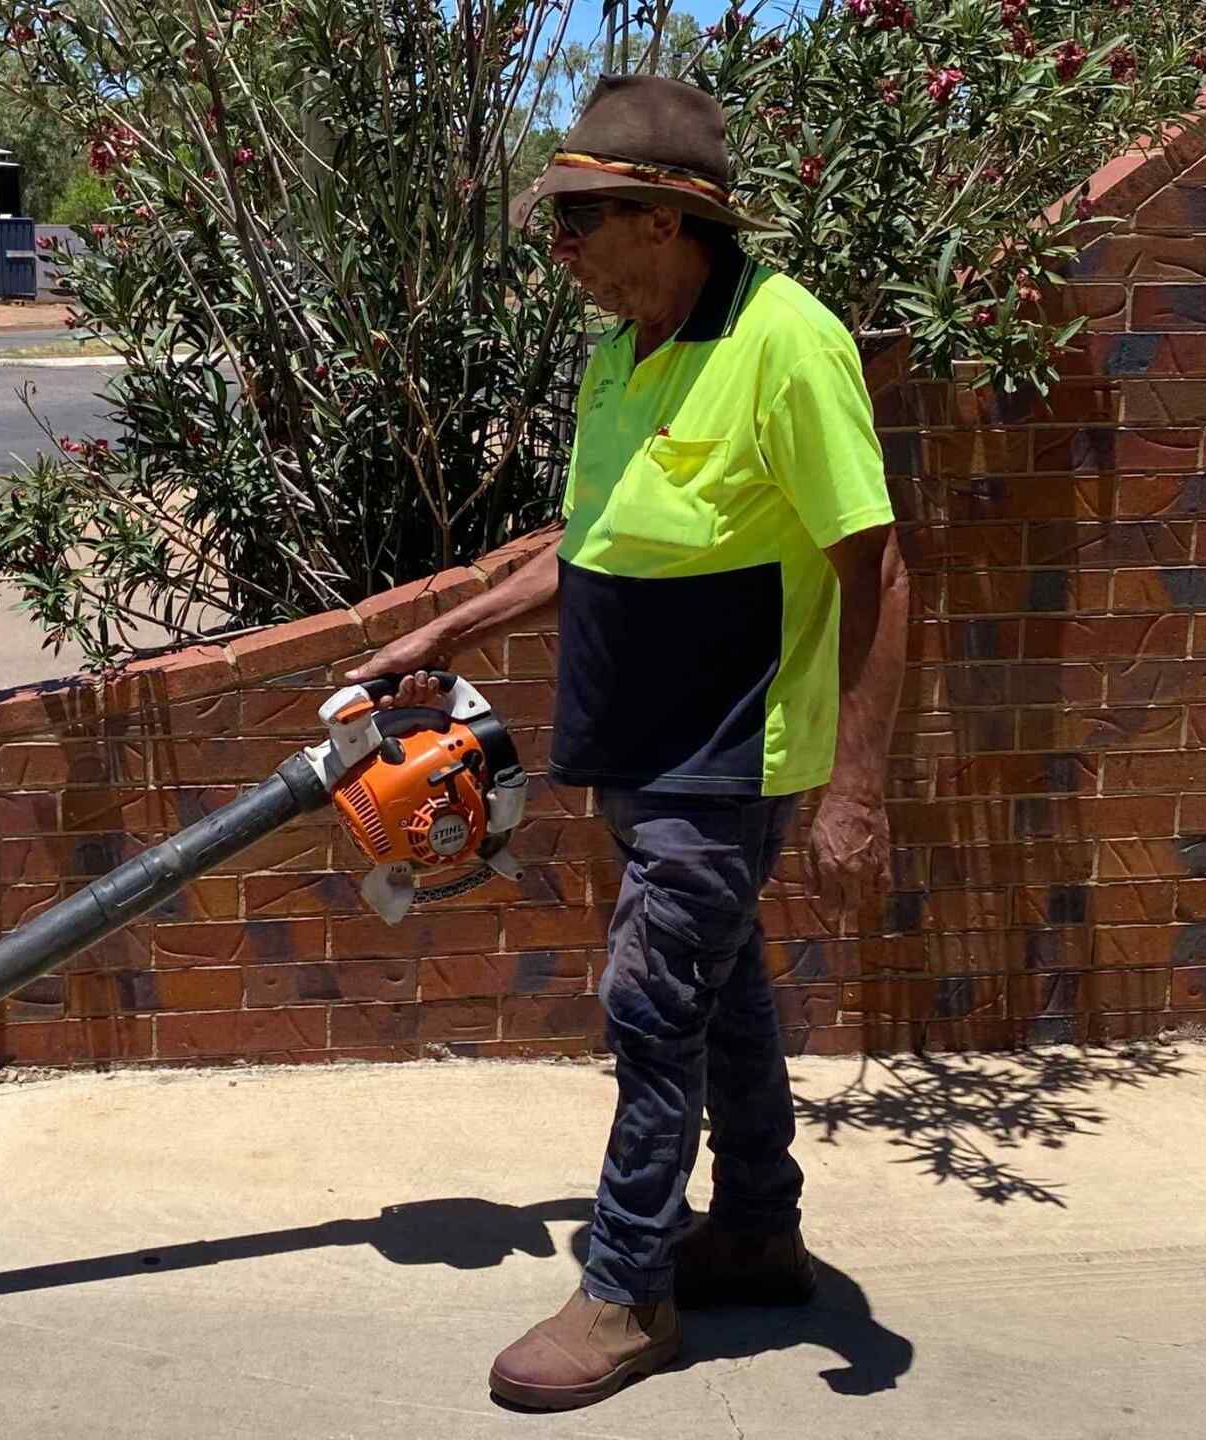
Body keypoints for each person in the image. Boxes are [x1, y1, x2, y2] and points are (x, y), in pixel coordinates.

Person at [344, 74, 910, 1411]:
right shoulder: (629, 354)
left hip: (731, 752)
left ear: (665, 219)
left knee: (651, 1007)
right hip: (643, 750)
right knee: (726, 994)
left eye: (579, 220)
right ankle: (761, 1230)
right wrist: (448, 632)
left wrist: (859, 791)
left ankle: (629, 1289)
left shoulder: (788, 343)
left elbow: (882, 570)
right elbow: (588, 553)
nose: (561, 250)